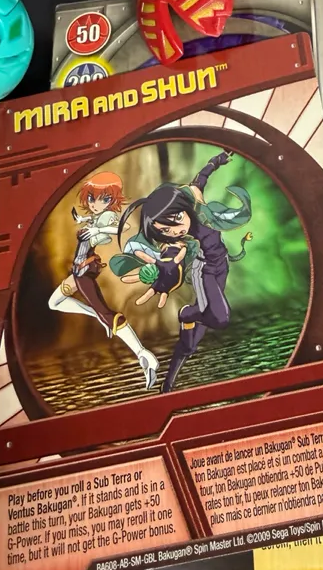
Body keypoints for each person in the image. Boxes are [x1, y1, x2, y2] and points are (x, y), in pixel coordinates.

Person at [112, 151, 252, 392]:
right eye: (165, 230)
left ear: (182, 206)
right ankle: (187, 313)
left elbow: (200, 179)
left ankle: (167, 387)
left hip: (221, 266)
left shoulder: (195, 201)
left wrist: (216, 160)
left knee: (190, 344)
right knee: (220, 318)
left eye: (176, 219)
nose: (176, 230)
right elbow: (169, 258)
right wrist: (163, 272)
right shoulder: (176, 242)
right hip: (205, 271)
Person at [48, 171, 160, 389]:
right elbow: (93, 222)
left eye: (104, 199)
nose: (95, 204)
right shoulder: (97, 218)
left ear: (112, 200)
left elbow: (122, 227)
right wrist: (83, 221)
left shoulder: (106, 218)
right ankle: (97, 315)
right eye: (92, 198)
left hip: (84, 272)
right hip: (78, 272)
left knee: (108, 315)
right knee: (55, 302)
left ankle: (143, 355)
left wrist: (96, 229)